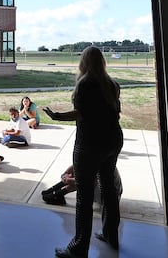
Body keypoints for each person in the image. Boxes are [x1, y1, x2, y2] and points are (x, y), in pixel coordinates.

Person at [43, 46, 123, 257]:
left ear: (84, 62)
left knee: (84, 197)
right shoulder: (112, 84)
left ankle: (78, 247)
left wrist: (57, 116)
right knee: (108, 188)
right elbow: (116, 113)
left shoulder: (85, 84)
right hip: (113, 140)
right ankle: (110, 234)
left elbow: (81, 113)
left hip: (90, 143)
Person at [42, 165, 123, 206]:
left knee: (83, 183)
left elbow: (89, 181)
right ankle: (55, 191)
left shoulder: (99, 161)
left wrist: (68, 179)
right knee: (79, 173)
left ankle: (57, 194)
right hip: (105, 191)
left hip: (109, 199)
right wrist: (66, 174)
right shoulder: (97, 154)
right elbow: (77, 164)